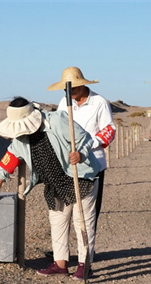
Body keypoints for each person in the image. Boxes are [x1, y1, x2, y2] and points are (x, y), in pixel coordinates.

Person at [0, 97, 101, 280]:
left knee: (82, 222)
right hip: (54, 184)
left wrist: (80, 154)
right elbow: (8, 161)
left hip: (81, 178)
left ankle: (84, 265)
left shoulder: (57, 120)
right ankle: (60, 264)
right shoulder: (20, 139)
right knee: (58, 223)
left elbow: (85, 139)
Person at [49, 67, 116, 232]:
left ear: (82, 86)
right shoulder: (64, 102)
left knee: (89, 210)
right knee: (65, 209)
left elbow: (109, 130)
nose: (69, 92)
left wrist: (86, 147)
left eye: (72, 88)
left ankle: (87, 251)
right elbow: (57, 127)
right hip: (68, 163)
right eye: (66, 89)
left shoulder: (99, 102)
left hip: (93, 163)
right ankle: (63, 252)